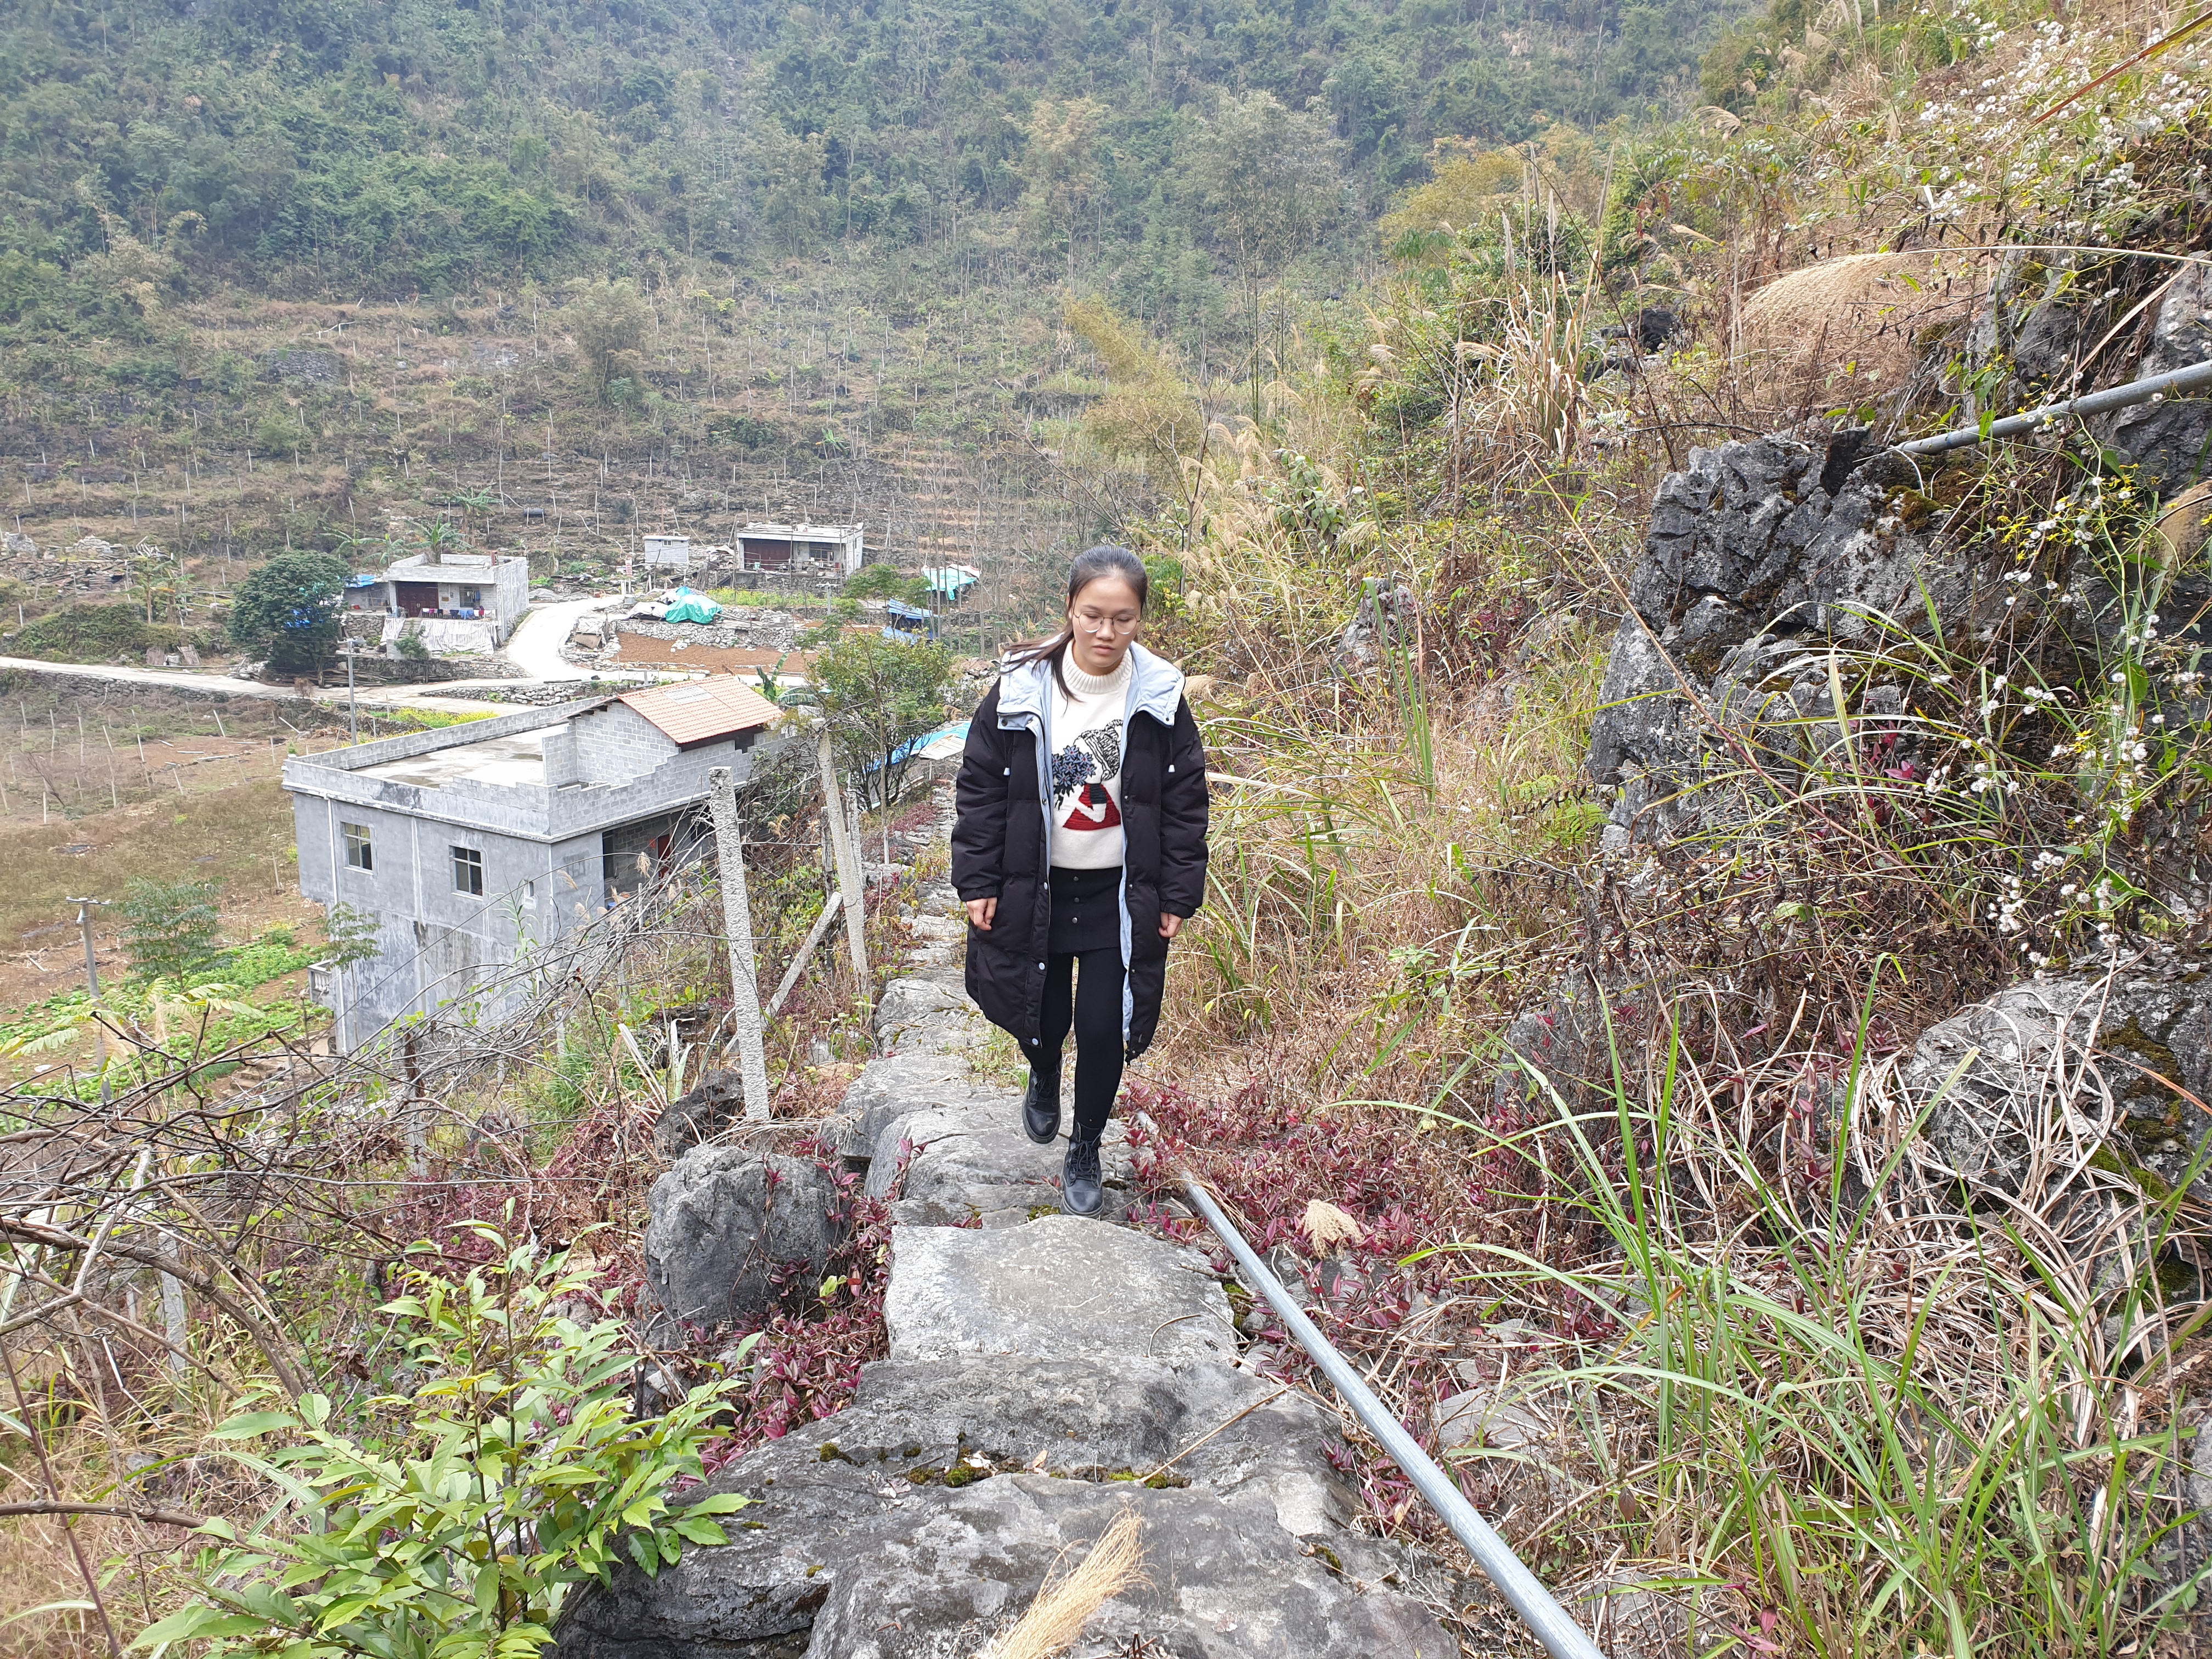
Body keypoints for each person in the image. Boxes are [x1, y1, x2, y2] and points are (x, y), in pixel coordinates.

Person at [950, 545, 1210, 1216]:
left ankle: (1086, 1144)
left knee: (1101, 1026)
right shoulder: (1020, 689)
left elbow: (1185, 802)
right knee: (1040, 1014)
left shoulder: (1159, 697)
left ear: (1140, 619)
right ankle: (1042, 1070)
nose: (1106, 631)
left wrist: (1178, 892)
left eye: (1123, 619)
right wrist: (977, 879)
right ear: (1069, 608)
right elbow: (980, 787)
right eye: (1093, 614)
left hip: (1118, 895)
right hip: (1034, 885)